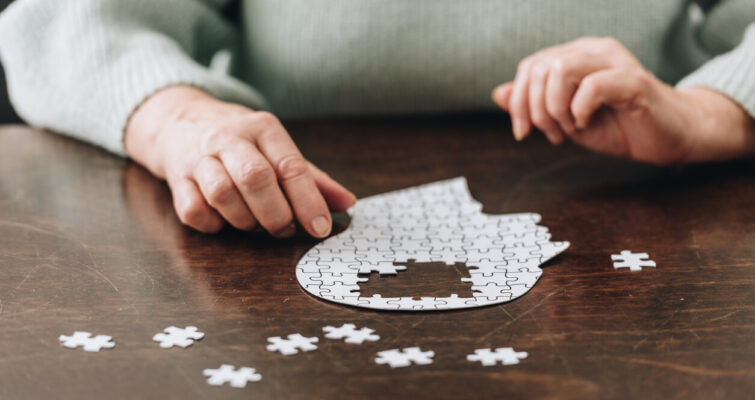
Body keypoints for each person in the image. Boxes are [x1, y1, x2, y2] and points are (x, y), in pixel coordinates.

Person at [0, 1, 753, 238]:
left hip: (655, 204)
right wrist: (178, 120)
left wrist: (708, 110)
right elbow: (66, 17)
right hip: (275, 217)